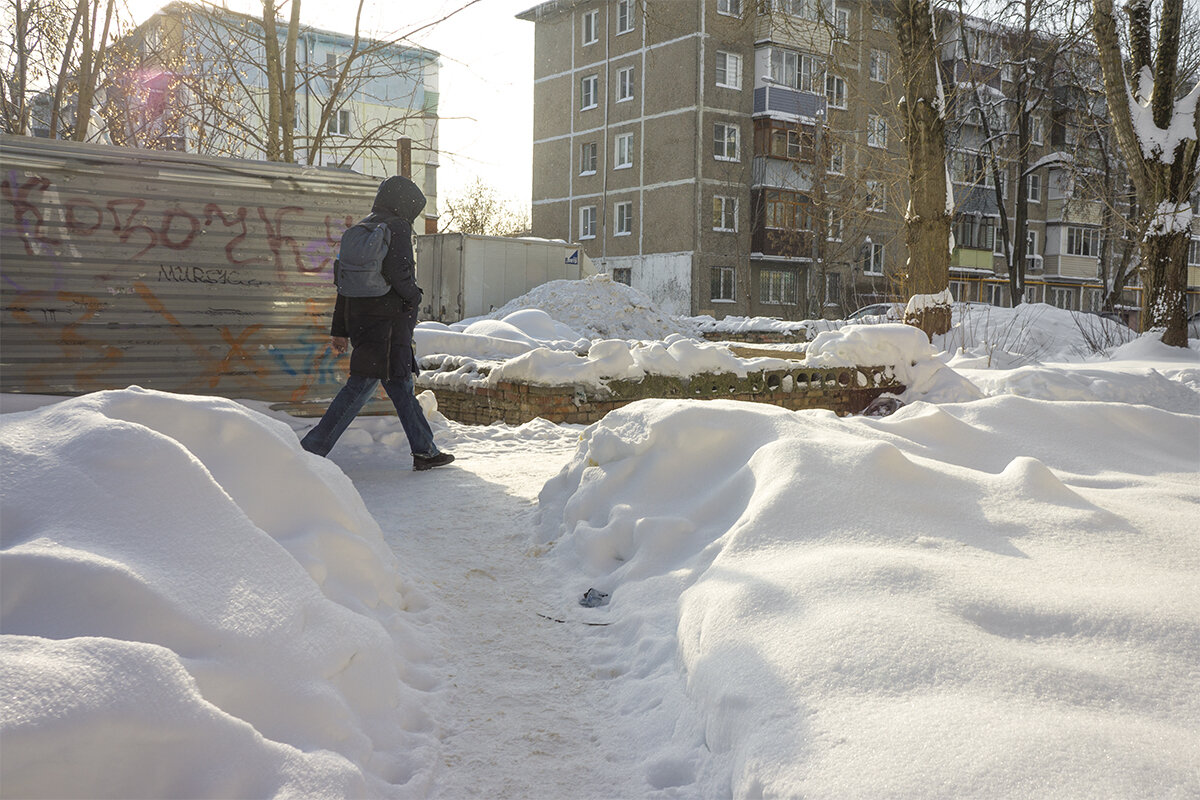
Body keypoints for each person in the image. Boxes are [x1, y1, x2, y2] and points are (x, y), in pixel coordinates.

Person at [300, 175, 455, 471]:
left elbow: (343, 286)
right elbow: (401, 274)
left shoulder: (360, 229)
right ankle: (311, 449)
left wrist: (340, 330)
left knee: (400, 385)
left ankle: (425, 450)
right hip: (389, 324)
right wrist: (415, 297)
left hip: (362, 323)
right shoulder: (396, 228)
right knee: (361, 387)